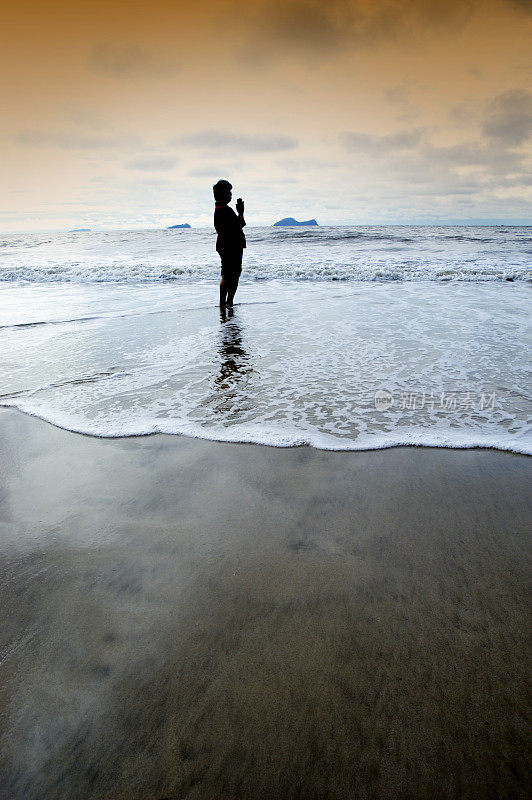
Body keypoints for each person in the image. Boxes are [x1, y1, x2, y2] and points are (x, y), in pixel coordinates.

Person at [213, 179, 246, 308]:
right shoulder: (224, 210)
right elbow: (240, 225)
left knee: (230, 274)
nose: (231, 195)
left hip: (227, 245)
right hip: (230, 246)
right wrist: (241, 212)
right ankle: (226, 303)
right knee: (231, 274)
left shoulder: (221, 209)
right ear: (223, 194)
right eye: (229, 192)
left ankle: (226, 303)